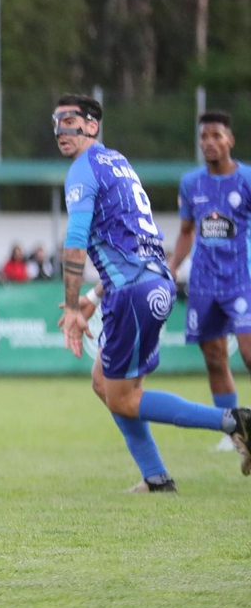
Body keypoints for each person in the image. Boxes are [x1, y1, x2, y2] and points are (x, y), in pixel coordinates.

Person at [52, 94, 251, 491]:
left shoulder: (82, 169)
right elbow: (132, 247)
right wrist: (93, 298)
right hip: (147, 285)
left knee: (124, 397)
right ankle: (156, 478)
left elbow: (75, 240)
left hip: (135, 293)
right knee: (104, 383)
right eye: (56, 122)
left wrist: (73, 306)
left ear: (92, 125)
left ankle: (234, 421)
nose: (61, 130)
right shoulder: (118, 163)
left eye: (71, 120)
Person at [169, 110, 251, 453]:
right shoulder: (191, 183)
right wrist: (171, 269)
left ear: (230, 140)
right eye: (204, 137)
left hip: (241, 280)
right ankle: (234, 431)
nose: (210, 143)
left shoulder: (247, 179)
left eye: (217, 136)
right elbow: (187, 232)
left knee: (248, 354)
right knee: (215, 357)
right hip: (203, 282)